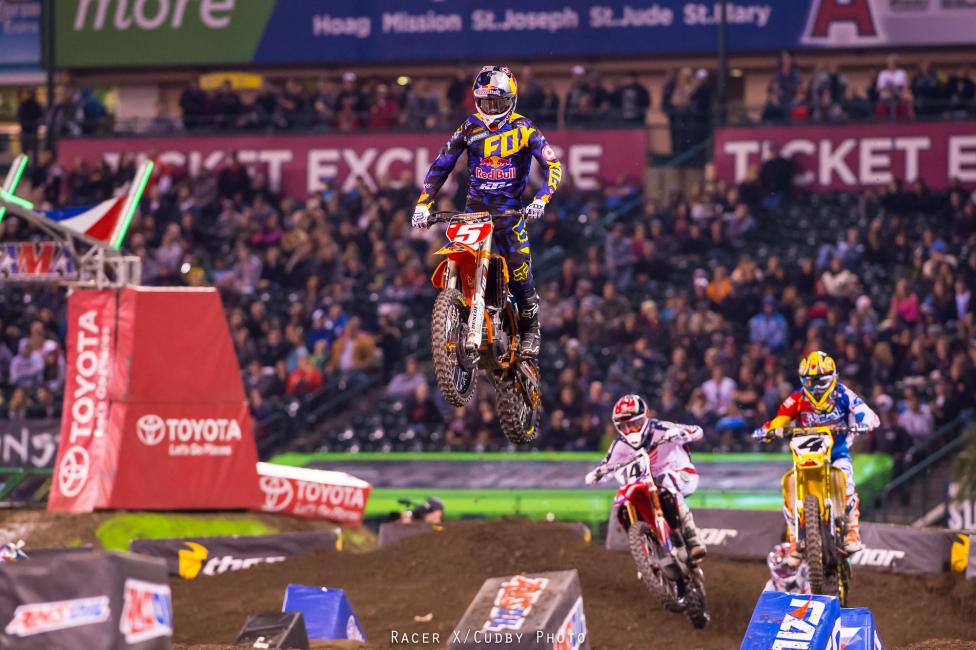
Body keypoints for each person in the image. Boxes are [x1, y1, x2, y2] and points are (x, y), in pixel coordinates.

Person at [411, 66, 562, 359]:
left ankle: (531, 330)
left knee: (519, 268)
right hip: (475, 212)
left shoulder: (525, 128)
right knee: (456, 256)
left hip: (509, 213)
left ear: (512, 100)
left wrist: (541, 199)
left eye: (498, 102)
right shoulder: (469, 127)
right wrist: (423, 202)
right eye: (486, 102)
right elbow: (442, 163)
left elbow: (553, 166)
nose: (492, 109)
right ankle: (456, 315)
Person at [753, 351, 880, 561]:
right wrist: (770, 430)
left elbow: (865, 411)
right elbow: (781, 418)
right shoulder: (797, 398)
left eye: (820, 380)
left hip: (836, 453)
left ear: (831, 377)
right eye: (810, 381)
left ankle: (852, 533)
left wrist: (865, 422)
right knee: (790, 487)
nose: (816, 386)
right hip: (805, 457)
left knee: (847, 483)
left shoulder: (843, 394)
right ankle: (795, 541)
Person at [585, 394, 707, 561]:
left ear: (645, 418)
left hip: (682, 474)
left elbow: (697, 431)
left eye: (635, 424)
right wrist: (597, 475)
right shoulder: (619, 445)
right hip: (650, 484)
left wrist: (680, 434)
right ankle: (647, 552)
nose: (631, 430)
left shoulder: (661, 428)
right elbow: (607, 466)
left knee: (666, 479)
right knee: (630, 495)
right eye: (625, 426)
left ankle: (693, 540)